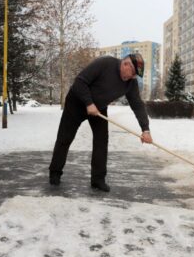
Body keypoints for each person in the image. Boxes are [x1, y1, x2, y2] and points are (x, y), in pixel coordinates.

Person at [49, 53, 153, 192]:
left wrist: (145, 129)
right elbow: (80, 82)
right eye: (132, 73)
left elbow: (137, 105)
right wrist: (89, 103)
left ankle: (98, 179)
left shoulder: (130, 82)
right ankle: (55, 173)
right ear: (125, 64)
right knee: (65, 138)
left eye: (135, 76)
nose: (132, 77)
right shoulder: (104, 64)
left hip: (99, 108)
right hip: (76, 103)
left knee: (101, 141)